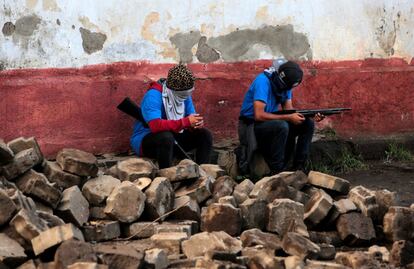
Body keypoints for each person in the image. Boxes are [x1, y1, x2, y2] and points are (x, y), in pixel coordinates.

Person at [237, 58, 324, 175]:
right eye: (286, 86)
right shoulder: (262, 82)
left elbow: (288, 111)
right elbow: (259, 115)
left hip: (271, 122)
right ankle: (277, 170)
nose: (287, 90)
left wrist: (309, 117)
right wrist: (289, 118)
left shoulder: (287, 85)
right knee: (282, 126)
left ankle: (299, 168)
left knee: (307, 124)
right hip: (251, 125)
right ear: (279, 77)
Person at [130, 64, 212, 169]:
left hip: (175, 138)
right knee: (165, 137)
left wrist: (195, 124)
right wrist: (186, 122)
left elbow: (190, 117)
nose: (186, 97)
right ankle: (165, 176)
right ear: (173, 90)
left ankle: (203, 172)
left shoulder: (184, 96)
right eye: (182, 94)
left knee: (205, 134)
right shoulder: (153, 96)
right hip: (147, 140)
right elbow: (155, 125)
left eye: (188, 93)